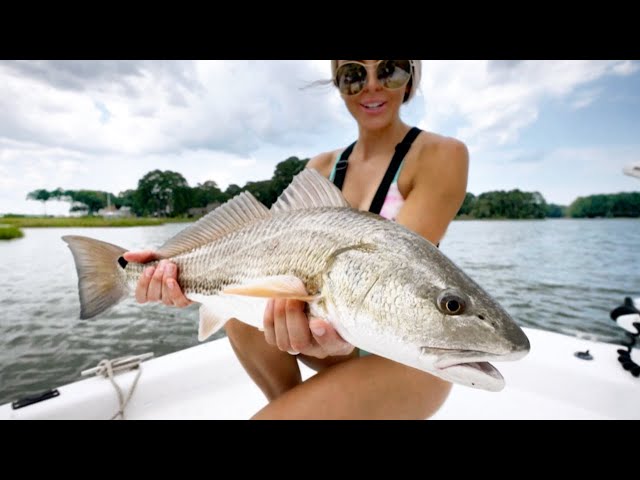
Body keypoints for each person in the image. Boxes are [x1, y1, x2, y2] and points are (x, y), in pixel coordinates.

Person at [124, 60, 469, 419]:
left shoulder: (441, 154)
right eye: (353, 75)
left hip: (407, 355)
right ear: (338, 83)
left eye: (389, 70)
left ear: (411, 76)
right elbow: (257, 245)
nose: (371, 86)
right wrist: (171, 264)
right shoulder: (319, 168)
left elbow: (399, 266)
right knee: (241, 305)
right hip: (316, 335)